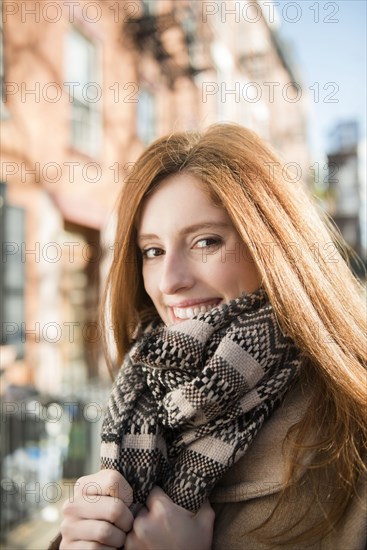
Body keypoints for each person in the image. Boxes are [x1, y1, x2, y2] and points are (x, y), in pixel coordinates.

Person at [52, 123, 366, 549]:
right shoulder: (140, 404)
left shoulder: (353, 433)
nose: (170, 281)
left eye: (205, 241)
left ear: (272, 245)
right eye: (153, 251)